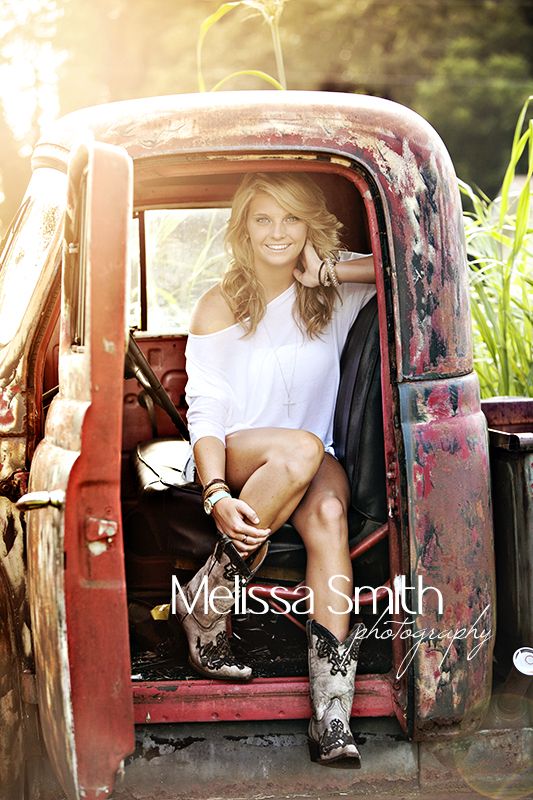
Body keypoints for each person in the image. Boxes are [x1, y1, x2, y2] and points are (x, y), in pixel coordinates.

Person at [175, 172, 376, 768]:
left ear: (309, 227)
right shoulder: (219, 303)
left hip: (313, 457)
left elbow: (424, 273)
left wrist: (328, 272)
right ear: (244, 229)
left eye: (292, 219)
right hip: (238, 454)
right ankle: (210, 599)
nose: (278, 232)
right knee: (298, 450)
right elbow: (205, 409)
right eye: (264, 218)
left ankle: (332, 714)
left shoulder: (332, 297)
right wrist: (214, 492)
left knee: (331, 512)